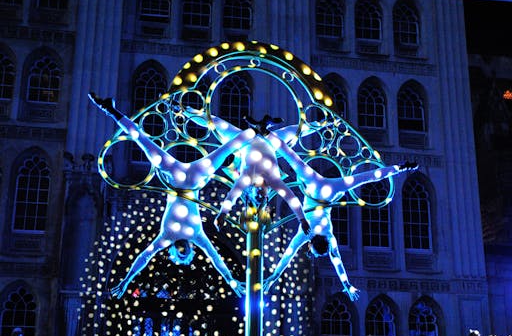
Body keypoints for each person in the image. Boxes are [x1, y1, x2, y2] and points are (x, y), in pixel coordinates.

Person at [89, 92, 259, 298]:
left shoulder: (166, 237)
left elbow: (144, 257)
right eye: (185, 255)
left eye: (178, 255)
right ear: (190, 252)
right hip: (195, 178)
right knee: (236, 143)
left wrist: (126, 280)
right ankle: (259, 133)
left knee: (142, 140)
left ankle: (110, 109)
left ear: (172, 253)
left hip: (175, 176)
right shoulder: (197, 236)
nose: (182, 252)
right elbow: (216, 259)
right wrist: (231, 282)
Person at [262, 129, 418, 300]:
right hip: (317, 188)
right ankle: (266, 134)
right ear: (311, 244)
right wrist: (274, 276)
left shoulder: (329, 237)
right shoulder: (305, 234)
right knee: (293, 158)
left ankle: (402, 167)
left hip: (327, 190)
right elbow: (289, 254)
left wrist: (347, 284)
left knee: (365, 177)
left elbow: (337, 262)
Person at [181, 106, 310, 235]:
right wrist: (302, 219)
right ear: (267, 194)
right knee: (296, 131)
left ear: (250, 191)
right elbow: (291, 198)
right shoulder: (274, 181)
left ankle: (183, 109)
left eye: (256, 195)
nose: (260, 192)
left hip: (245, 140)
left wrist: (222, 214)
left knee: (215, 123)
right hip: (270, 140)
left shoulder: (246, 179)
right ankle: (323, 124)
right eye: (262, 196)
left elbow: (232, 196)